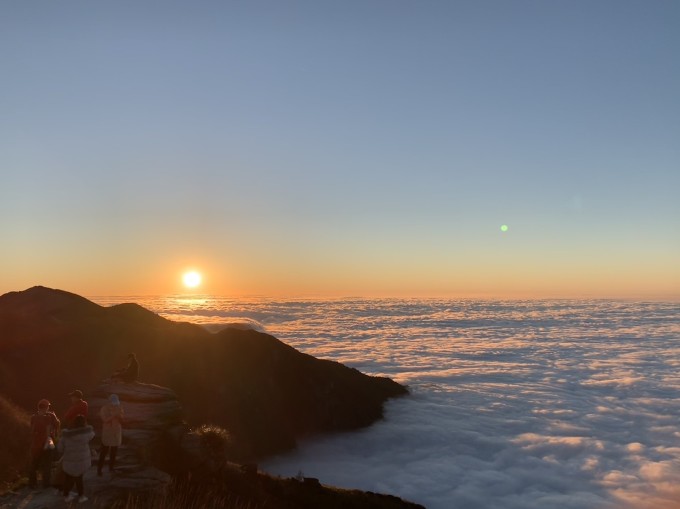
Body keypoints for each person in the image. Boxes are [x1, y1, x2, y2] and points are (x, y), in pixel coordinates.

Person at [58, 414, 94, 503]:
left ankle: (66, 495)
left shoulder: (65, 435)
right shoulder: (87, 434)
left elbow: (60, 449)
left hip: (69, 461)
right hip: (82, 461)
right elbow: (92, 434)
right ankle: (81, 496)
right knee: (79, 478)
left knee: (68, 478)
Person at [28, 399, 60, 489]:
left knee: (34, 464)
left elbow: (31, 430)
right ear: (46, 407)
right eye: (48, 407)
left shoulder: (33, 417)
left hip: (35, 443)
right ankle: (46, 483)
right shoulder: (49, 417)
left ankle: (32, 483)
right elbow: (52, 428)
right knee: (47, 464)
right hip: (47, 441)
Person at [98, 394, 124, 476]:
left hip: (116, 432)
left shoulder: (119, 407)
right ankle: (99, 470)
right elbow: (105, 420)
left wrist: (120, 416)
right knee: (104, 452)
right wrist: (113, 415)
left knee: (114, 452)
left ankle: (111, 468)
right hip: (107, 433)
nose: (114, 404)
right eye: (113, 402)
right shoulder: (104, 409)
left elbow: (122, 419)